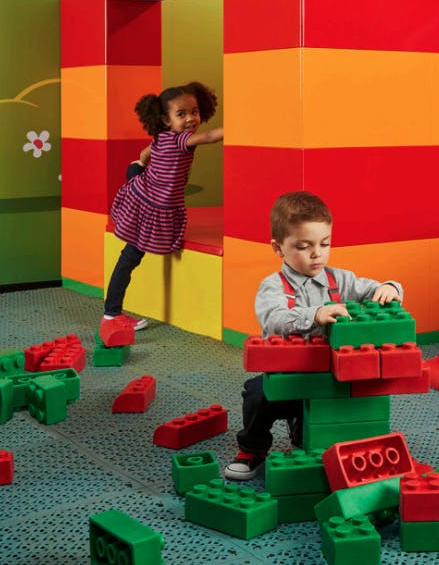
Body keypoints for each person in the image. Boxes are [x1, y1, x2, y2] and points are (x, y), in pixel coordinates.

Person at [224, 191, 404, 481]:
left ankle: (305, 427)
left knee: (344, 407)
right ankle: (252, 449)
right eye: (303, 246)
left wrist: (391, 287)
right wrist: (315, 314)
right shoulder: (273, 286)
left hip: (330, 377)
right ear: (278, 248)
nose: (317, 253)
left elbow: (373, 289)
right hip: (288, 377)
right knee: (258, 394)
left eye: (325, 243)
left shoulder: (340, 279)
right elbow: (273, 318)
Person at [101, 82, 223, 332]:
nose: (190, 119)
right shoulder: (181, 141)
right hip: (148, 202)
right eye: (181, 114)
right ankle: (111, 314)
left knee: (135, 168)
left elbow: (145, 153)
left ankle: (134, 172)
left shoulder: (162, 138)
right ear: (166, 120)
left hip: (143, 189)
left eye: (194, 111)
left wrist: (142, 164)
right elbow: (211, 136)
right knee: (130, 256)